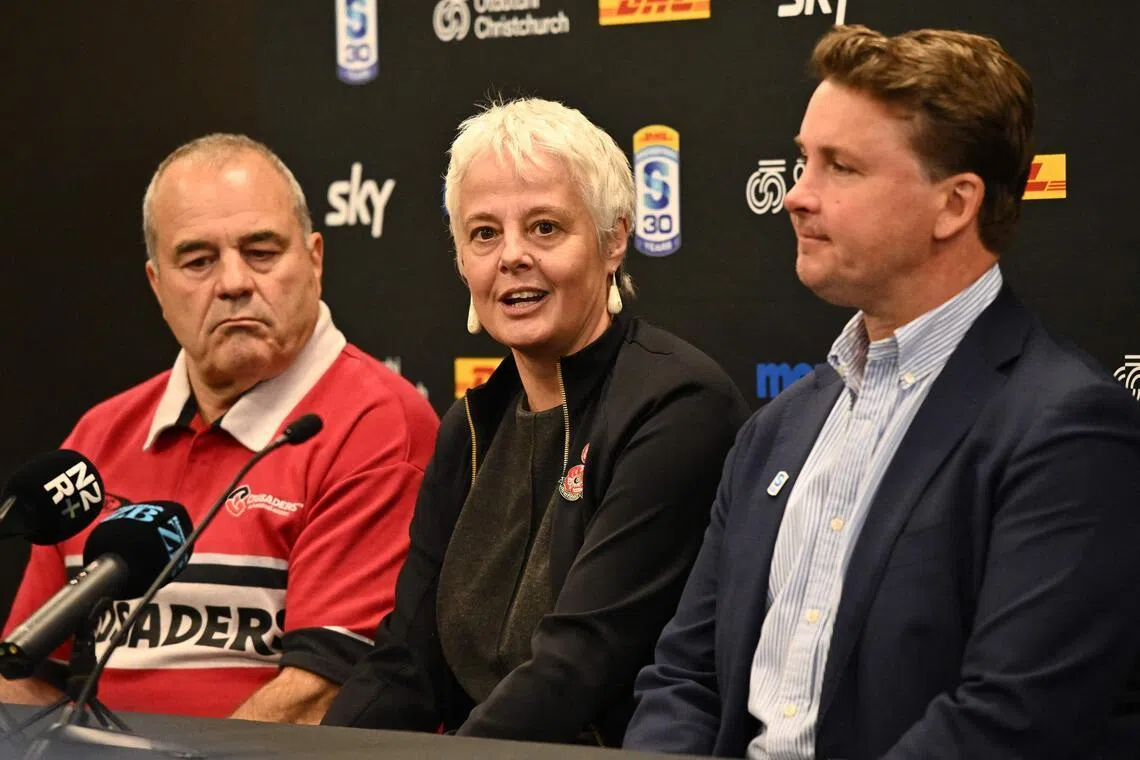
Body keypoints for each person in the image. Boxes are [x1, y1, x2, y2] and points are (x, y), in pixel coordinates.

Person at [624, 25, 1140, 760]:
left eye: (840, 167)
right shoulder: (777, 429)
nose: (796, 196)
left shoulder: (1068, 431)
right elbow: (686, 677)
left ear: (954, 204)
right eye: (804, 160)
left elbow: (1010, 721)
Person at [321, 98, 749, 745]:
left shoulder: (677, 405)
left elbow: (576, 667)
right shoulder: (470, 427)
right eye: (484, 234)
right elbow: (405, 663)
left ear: (613, 240)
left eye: (545, 228)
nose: (511, 256)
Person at [0, 134, 439, 723]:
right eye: (198, 261)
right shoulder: (99, 435)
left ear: (315, 260)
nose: (233, 282)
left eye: (261, 252)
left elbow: (319, 698)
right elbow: (23, 676)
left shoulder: (378, 426)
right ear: (157, 285)